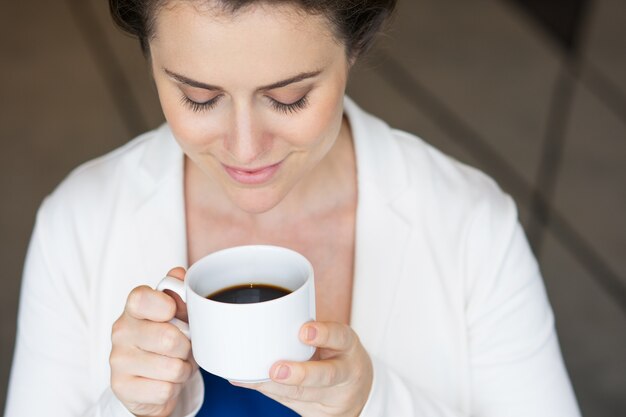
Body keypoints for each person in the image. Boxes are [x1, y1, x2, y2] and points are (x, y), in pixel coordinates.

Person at [5, 0, 582, 416]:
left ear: (354, 45)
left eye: (288, 98)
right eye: (198, 97)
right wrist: (124, 410)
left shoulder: (472, 225)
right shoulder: (78, 223)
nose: (245, 148)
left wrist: (373, 405)